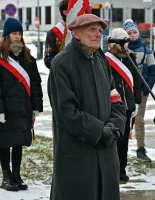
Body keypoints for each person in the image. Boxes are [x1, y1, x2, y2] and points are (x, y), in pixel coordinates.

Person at [48, 14, 126, 200]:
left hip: (107, 155)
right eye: (92, 29)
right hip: (78, 156)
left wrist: (114, 127)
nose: (98, 34)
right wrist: (100, 132)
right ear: (75, 33)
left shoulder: (102, 62)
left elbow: (116, 101)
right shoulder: (62, 64)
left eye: (100, 30)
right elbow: (67, 113)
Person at [0, 17, 43, 191]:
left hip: (23, 108)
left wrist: (36, 106)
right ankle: (6, 177)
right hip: (5, 110)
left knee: (18, 142)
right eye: (14, 33)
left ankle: (16, 175)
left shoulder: (28, 58)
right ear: (6, 36)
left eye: (19, 33)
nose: (17, 37)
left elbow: (35, 83)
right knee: (5, 142)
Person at [105, 28, 142, 183]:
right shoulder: (106, 59)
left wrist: (137, 101)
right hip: (112, 107)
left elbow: (137, 81)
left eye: (127, 42)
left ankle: (121, 170)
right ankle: (111, 171)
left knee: (123, 142)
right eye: (123, 42)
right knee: (112, 140)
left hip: (127, 107)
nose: (126, 45)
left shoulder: (130, 58)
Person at [123, 19, 155, 161]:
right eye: (129, 33)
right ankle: (121, 146)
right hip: (126, 90)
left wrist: (146, 88)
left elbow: (153, 72)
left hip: (142, 90)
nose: (132, 35)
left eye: (134, 32)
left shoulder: (147, 51)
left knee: (140, 120)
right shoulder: (122, 50)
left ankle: (141, 148)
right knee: (124, 119)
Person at [44, 0, 68, 69]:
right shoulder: (53, 33)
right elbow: (48, 59)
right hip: (60, 75)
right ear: (65, 12)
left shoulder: (80, 31)